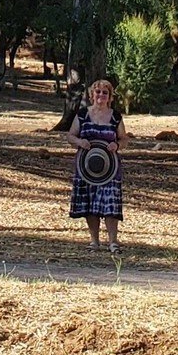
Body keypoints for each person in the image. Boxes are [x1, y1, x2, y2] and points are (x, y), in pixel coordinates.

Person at [68, 76, 125, 253]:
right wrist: (79, 142)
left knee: (110, 204)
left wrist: (117, 145)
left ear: (110, 96)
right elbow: (70, 135)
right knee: (89, 203)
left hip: (109, 167)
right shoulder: (83, 114)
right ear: (92, 95)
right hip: (86, 166)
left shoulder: (115, 116)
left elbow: (124, 138)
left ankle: (113, 242)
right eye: (98, 92)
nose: (101, 95)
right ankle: (94, 241)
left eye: (105, 93)